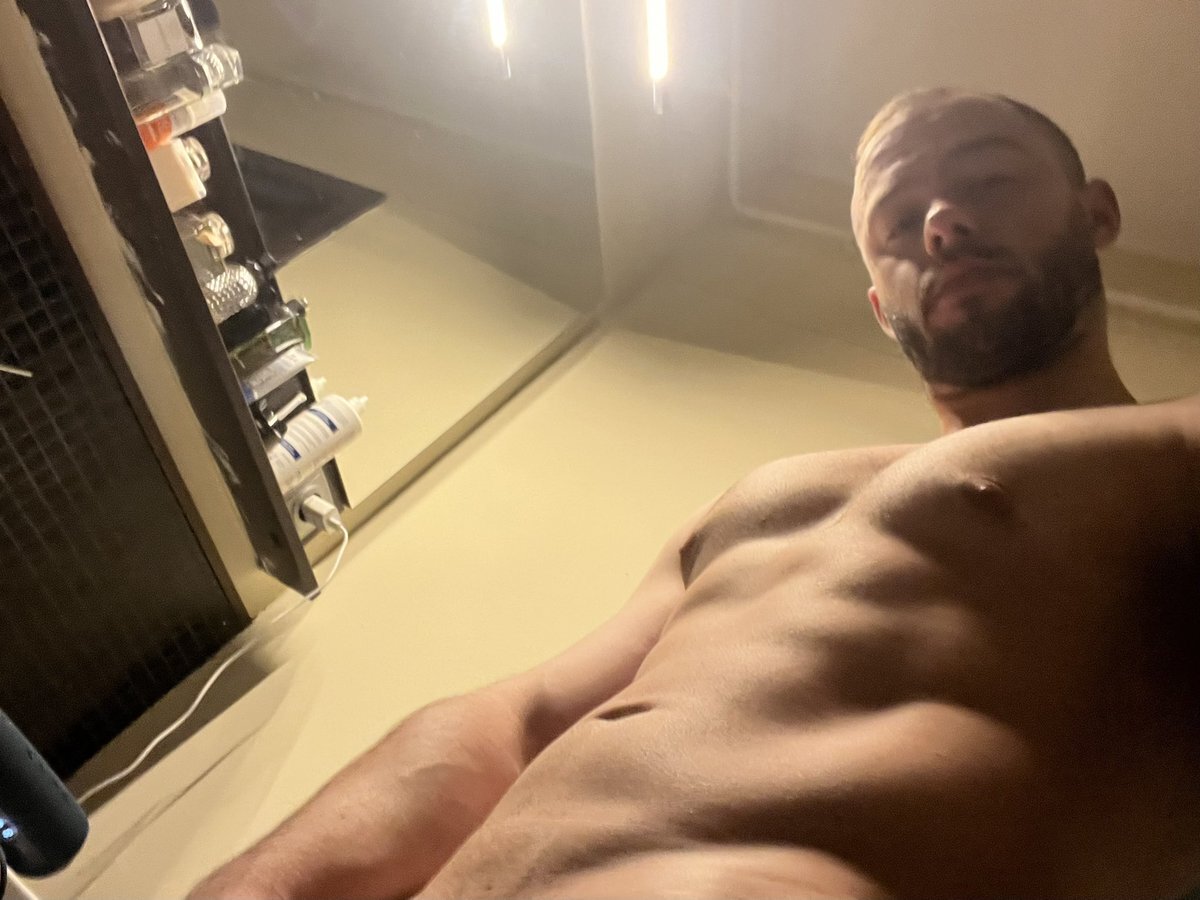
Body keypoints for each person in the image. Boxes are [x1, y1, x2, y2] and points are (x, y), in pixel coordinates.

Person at [192, 88, 1200, 900]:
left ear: (1096, 213)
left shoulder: (1166, 460)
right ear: (878, 304)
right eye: (899, 218)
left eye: (988, 178)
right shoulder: (772, 498)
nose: (941, 222)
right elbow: (520, 721)